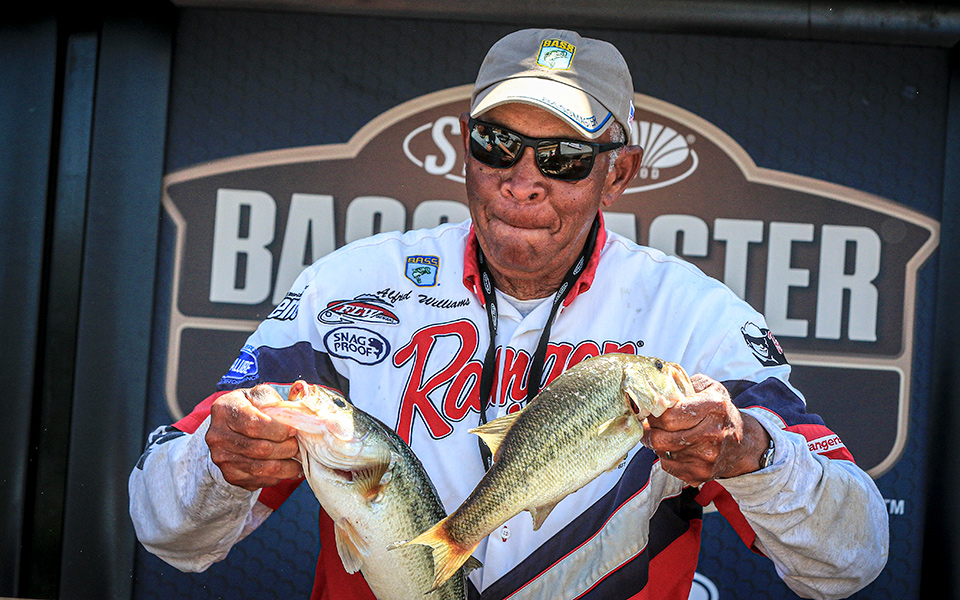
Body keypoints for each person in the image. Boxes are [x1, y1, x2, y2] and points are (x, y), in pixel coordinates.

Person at [130, 28, 888, 600]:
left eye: (563, 159)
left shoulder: (694, 322)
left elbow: (849, 562)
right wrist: (218, 462)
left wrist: (753, 453)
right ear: (466, 148)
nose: (523, 181)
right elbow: (167, 531)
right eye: (500, 145)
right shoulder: (349, 286)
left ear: (618, 173)